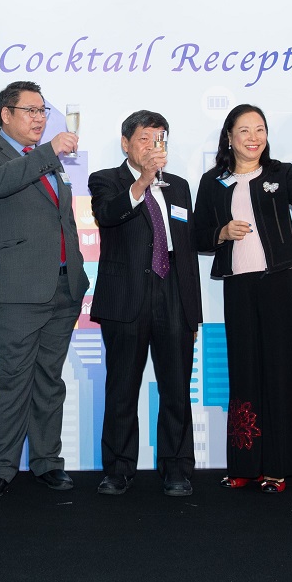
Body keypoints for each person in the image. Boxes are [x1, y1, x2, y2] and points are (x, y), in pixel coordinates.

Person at [191, 104, 292, 493]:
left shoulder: (280, 173)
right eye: (244, 130)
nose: (253, 138)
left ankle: (277, 467)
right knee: (244, 371)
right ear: (229, 137)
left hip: (277, 284)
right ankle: (244, 465)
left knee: (280, 372)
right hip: (238, 286)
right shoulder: (212, 181)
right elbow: (198, 234)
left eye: (260, 130)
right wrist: (221, 233)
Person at [0, 81, 89, 498]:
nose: (39, 119)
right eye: (30, 111)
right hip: (13, 289)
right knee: (13, 380)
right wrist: (49, 151)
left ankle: (47, 462)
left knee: (50, 381)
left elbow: (61, 220)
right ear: (6, 114)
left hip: (62, 288)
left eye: (42, 111)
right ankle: (0, 467)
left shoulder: (45, 160)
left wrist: (77, 272)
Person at [89, 110, 202, 497]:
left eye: (160, 140)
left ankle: (177, 468)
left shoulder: (179, 186)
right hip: (127, 296)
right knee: (122, 388)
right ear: (126, 143)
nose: (154, 147)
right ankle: (118, 469)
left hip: (173, 292)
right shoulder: (106, 180)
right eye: (144, 139)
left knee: (176, 389)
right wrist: (142, 181)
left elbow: (187, 249)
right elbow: (108, 215)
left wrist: (192, 309)